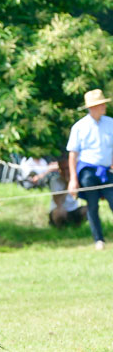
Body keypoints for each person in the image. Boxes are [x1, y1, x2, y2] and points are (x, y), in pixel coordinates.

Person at [67, 88, 113, 250]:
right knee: (92, 205)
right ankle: (98, 239)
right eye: (100, 105)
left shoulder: (111, 123)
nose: (103, 107)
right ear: (92, 107)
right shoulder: (79, 127)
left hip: (106, 170)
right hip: (88, 171)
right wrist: (73, 179)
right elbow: (73, 154)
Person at [48, 156, 88, 228]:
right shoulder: (55, 180)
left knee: (88, 209)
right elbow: (58, 202)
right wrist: (68, 184)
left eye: (67, 168)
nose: (65, 172)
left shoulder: (77, 179)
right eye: (62, 169)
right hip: (60, 210)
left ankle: (77, 227)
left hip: (74, 210)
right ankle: (60, 229)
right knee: (59, 212)